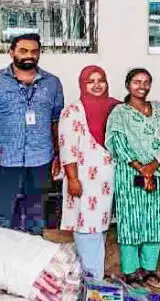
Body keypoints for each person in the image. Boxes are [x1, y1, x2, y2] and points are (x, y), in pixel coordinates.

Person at [0, 33, 64, 234]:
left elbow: (56, 122)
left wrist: (58, 155)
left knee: (36, 214)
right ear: (11, 53)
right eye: (23, 50)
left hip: (41, 159)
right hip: (5, 160)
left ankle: (32, 251)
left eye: (34, 51)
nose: (29, 55)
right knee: (1, 214)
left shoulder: (52, 83)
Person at [105, 68, 160, 289]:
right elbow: (117, 142)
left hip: (158, 172)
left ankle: (149, 270)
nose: (141, 86)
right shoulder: (119, 113)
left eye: (146, 82)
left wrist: (153, 166)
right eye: (136, 82)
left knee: (155, 221)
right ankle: (131, 273)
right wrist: (140, 167)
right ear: (128, 85)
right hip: (129, 174)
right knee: (130, 222)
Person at [58, 66, 120, 279]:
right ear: (82, 85)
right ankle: (92, 280)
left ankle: (94, 277)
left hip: (108, 182)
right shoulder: (72, 111)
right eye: (90, 81)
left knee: (100, 228)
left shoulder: (115, 107)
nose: (96, 85)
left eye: (100, 80)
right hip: (83, 180)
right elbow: (67, 148)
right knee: (86, 228)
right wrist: (73, 179)